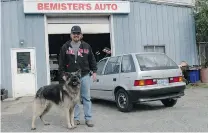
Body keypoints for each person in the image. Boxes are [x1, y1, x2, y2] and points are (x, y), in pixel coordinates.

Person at [58, 25, 97, 127]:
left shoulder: (87, 46)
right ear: (71, 35)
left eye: (78, 33)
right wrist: (62, 74)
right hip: (70, 78)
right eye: (74, 33)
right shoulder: (65, 47)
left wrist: (94, 71)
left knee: (86, 97)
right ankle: (75, 119)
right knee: (73, 99)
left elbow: (92, 59)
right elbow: (61, 62)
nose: (76, 35)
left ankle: (88, 119)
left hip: (84, 75)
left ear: (81, 35)